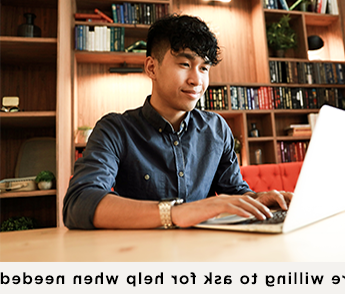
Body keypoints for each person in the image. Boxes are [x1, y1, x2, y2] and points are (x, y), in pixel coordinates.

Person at [63, 14, 292, 230]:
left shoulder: (216, 128)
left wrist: (257, 199)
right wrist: (174, 213)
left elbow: (234, 190)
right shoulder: (115, 130)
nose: (196, 80)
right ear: (152, 67)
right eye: (185, 64)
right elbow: (79, 202)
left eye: (204, 68)